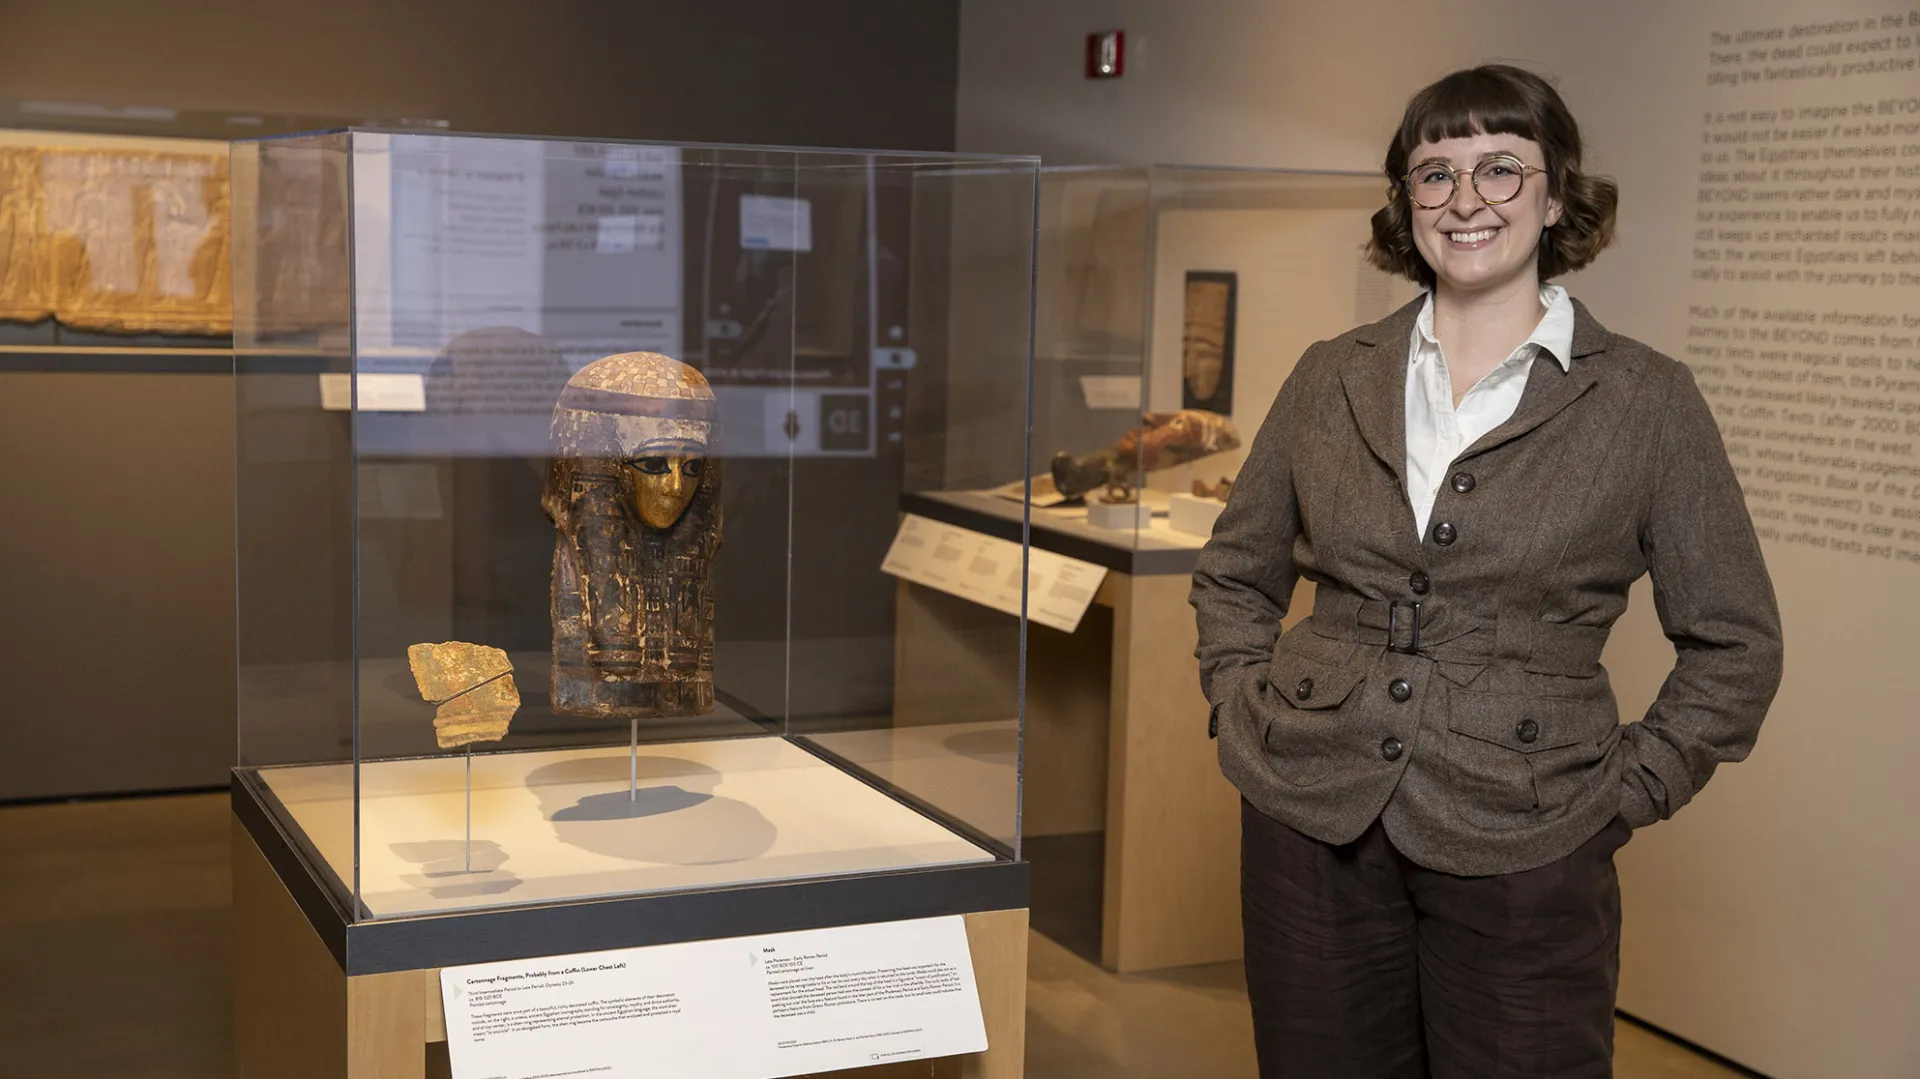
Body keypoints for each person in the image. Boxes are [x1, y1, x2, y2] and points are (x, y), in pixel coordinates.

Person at [1189, 65, 1783, 1078]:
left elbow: (1736, 640)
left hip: (1532, 834)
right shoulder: (1331, 372)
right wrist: (1241, 698)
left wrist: (1626, 791)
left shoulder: (1647, 400)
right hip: (1307, 813)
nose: (1466, 202)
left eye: (1501, 169)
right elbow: (1236, 571)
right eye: (1435, 174)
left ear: (1556, 199)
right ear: (1404, 204)